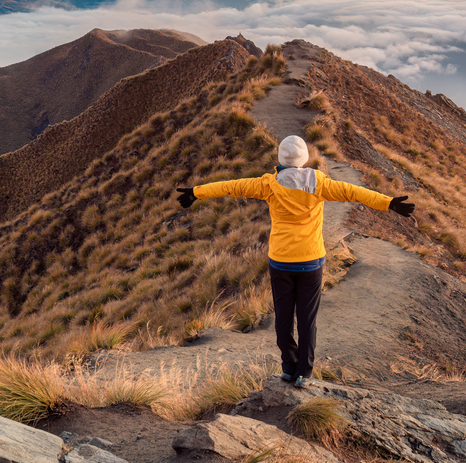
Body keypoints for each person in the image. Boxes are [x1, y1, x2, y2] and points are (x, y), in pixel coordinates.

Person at [176, 135, 415, 387]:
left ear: (280, 159)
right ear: (304, 160)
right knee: (307, 319)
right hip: (311, 262)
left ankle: (288, 369)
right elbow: (354, 192)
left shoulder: (268, 184)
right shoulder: (320, 183)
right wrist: (387, 203)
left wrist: (195, 193)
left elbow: (230, 186)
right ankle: (305, 372)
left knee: (283, 319)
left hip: (280, 262)